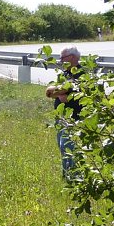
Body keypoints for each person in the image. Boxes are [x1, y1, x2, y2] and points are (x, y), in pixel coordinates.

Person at [45, 46, 83, 178]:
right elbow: (49, 92)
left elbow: (64, 89)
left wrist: (60, 92)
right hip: (61, 118)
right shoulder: (65, 74)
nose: (60, 61)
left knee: (68, 147)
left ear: (72, 57)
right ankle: (66, 176)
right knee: (62, 148)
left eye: (63, 58)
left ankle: (74, 177)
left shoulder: (80, 74)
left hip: (73, 118)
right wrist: (59, 93)